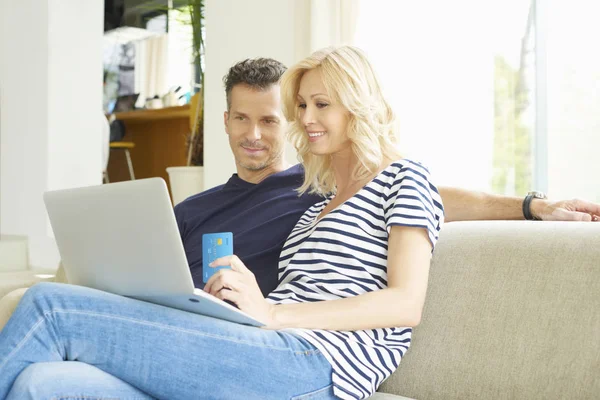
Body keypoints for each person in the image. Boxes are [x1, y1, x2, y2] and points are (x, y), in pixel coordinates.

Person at [1, 51, 599, 399]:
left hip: (312, 367)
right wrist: (236, 306)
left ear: (356, 107)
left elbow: (405, 303)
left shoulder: (404, 177)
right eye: (303, 107)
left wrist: (530, 205)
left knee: (52, 305)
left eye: (322, 105)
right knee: (44, 384)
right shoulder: (316, 203)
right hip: (262, 348)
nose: (306, 120)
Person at [175, 58, 600, 297]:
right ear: (226, 121)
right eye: (242, 120)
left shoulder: (316, 189)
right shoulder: (187, 210)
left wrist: (533, 206)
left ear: (287, 122)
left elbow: (423, 195)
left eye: (268, 120)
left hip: (239, 330)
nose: (253, 135)